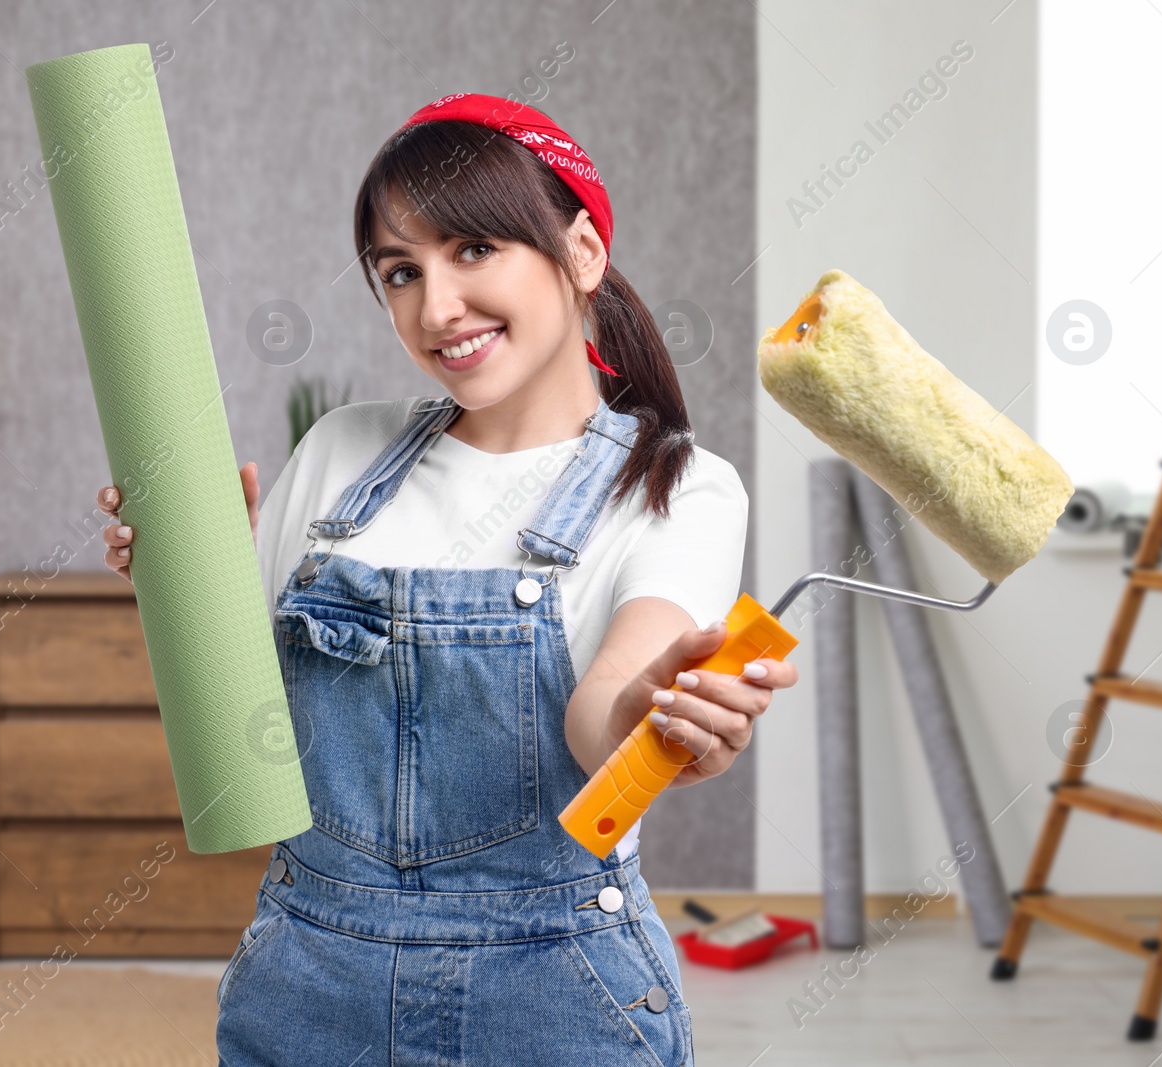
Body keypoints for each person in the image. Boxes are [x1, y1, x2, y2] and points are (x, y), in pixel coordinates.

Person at [96, 91, 796, 1066]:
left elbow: (604, 709)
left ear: (582, 252)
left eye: (473, 249)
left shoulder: (676, 483)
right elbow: (243, 720)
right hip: (307, 980)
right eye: (399, 270)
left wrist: (652, 716)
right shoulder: (339, 451)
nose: (436, 307)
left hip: (552, 991)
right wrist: (182, 579)